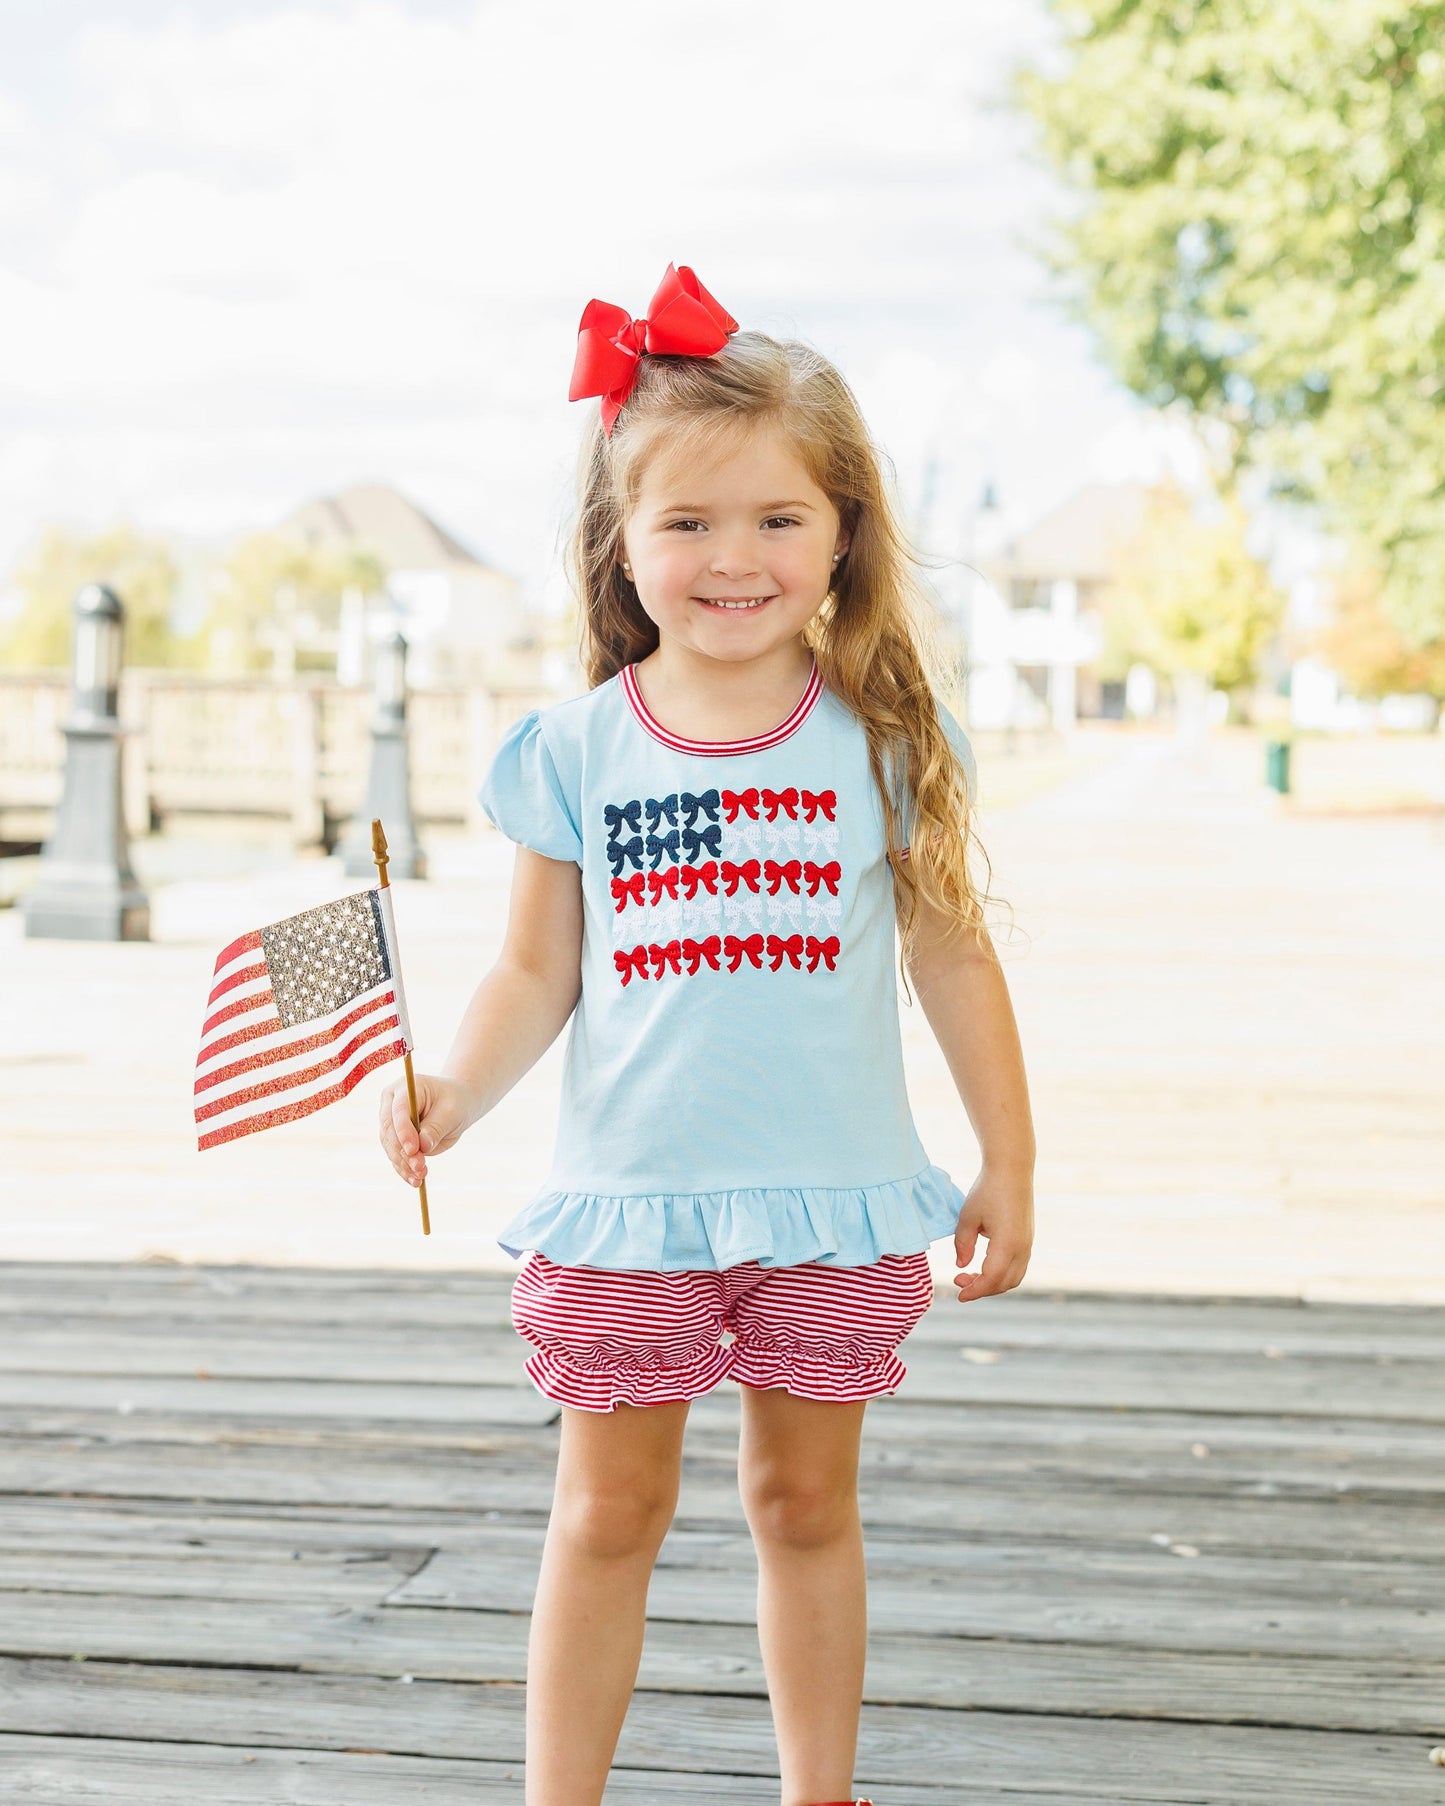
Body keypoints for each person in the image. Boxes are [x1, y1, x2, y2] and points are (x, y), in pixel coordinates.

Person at [378, 264, 1036, 1806]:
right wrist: (456, 1083)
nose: (731, 557)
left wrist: (1006, 1151)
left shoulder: (880, 744)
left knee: (804, 1503)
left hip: (833, 1199)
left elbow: (951, 950)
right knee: (608, 1512)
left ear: (841, 536)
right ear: (621, 543)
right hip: (629, 1208)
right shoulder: (574, 748)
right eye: (686, 523)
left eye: (774, 520)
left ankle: (820, 1790)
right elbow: (535, 968)